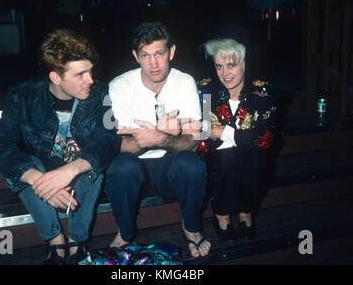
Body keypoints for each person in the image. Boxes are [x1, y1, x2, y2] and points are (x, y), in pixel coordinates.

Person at [0, 29, 120, 265]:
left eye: (90, 71)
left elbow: (108, 139)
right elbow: (1, 145)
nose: (90, 79)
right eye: (80, 74)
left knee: (91, 162)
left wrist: (69, 170)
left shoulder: (101, 93)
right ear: (55, 77)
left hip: (80, 167)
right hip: (42, 164)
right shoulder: (22, 95)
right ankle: (54, 240)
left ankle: (76, 240)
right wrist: (39, 181)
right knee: (26, 166)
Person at [106, 22, 211, 259]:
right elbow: (113, 146)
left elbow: (195, 142)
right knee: (122, 166)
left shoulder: (185, 82)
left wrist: (158, 139)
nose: (153, 63)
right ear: (136, 56)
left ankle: (192, 228)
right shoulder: (118, 87)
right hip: (133, 170)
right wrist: (152, 139)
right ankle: (124, 232)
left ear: (171, 52)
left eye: (159, 54)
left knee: (191, 164)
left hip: (168, 167)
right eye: (145, 55)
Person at [197, 38, 277, 241]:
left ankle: (246, 210)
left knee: (254, 155)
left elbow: (264, 139)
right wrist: (241, 139)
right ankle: (222, 212)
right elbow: (202, 134)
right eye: (219, 66)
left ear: (244, 63)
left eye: (231, 65)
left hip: (252, 160)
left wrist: (223, 132)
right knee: (229, 156)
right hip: (215, 161)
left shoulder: (261, 91)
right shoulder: (206, 90)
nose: (225, 73)